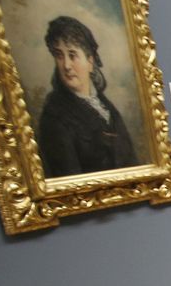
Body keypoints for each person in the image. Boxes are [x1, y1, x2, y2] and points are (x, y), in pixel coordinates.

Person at [37, 15, 139, 177]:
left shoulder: (107, 107)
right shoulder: (54, 115)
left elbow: (131, 160)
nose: (66, 66)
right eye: (59, 55)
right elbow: (67, 177)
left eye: (72, 55)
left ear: (90, 61)